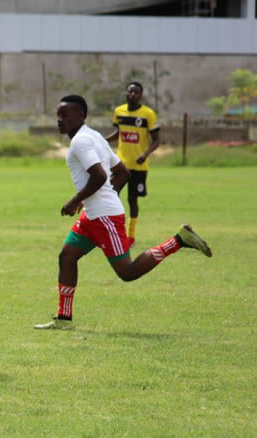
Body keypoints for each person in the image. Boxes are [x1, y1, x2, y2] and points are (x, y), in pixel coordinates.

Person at [34, 95, 210, 330]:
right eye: (58, 115)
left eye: (65, 115)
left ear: (81, 116)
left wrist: (75, 200)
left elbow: (99, 176)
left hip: (104, 216)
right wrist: (97, 199)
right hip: (93, 215)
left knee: (127, 272)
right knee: (67, 256)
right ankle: (64, 319)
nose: (59, 120)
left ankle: (178, 241)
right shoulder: (94, 136)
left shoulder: (81, 142)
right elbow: (122, 173)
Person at [105, 82, 160, 246]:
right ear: (126, 93)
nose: (132, 95)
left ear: (141, 94)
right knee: (111, 195)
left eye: (136, 92)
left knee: (132, 200)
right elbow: (119, 132)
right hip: (120, 164)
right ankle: (112, 232)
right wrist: (104, 140)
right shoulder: (119, 111)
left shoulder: (148, 114)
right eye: (130, 91)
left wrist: (146, 154)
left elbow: (157, 139)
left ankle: (131, 236)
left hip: (138, 166)